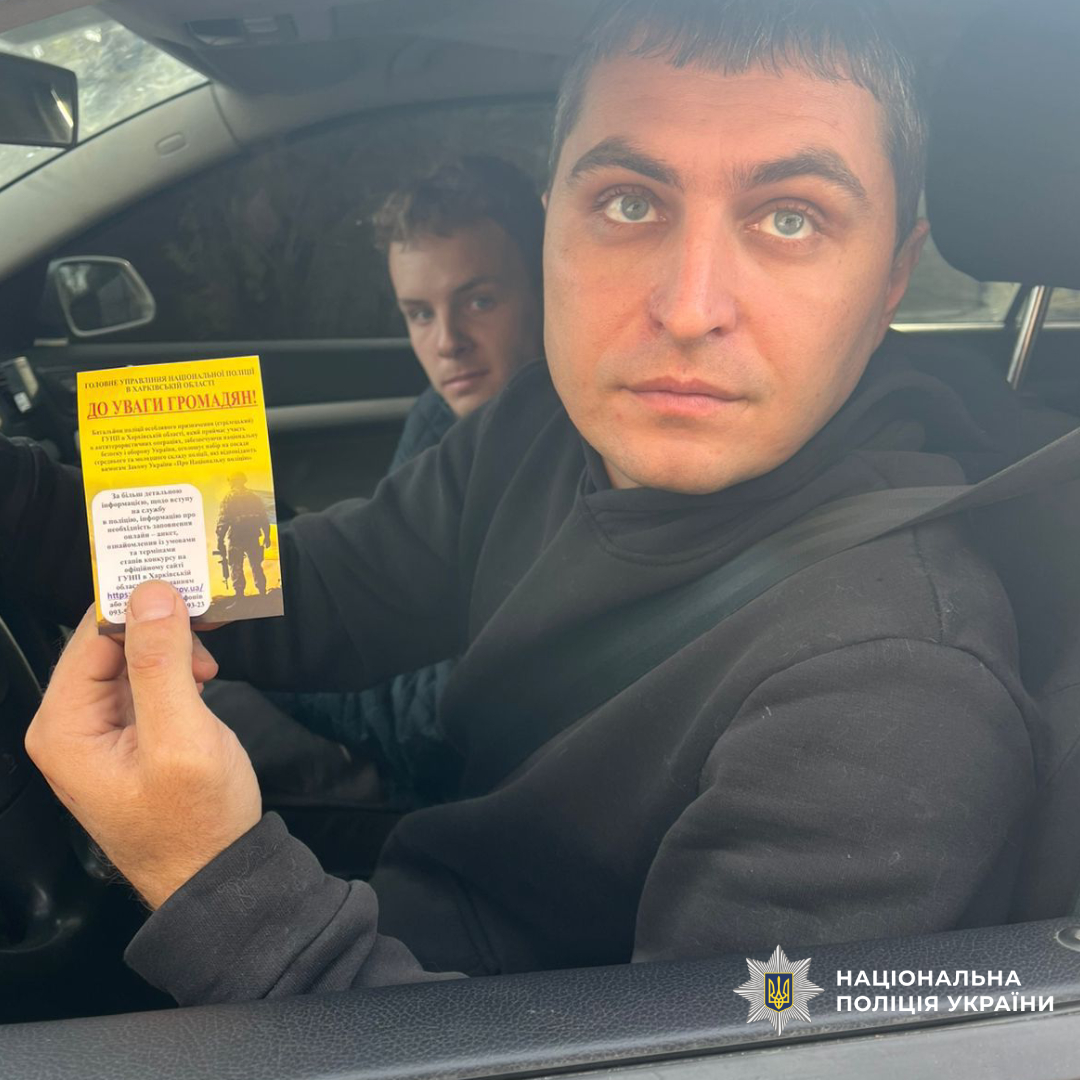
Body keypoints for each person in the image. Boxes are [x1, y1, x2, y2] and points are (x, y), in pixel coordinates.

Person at [19, 0, 1038, 1005]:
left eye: (789, 218)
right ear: (553, 223)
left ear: (893, 277)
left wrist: (218, 885)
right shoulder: (545, 418)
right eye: (630, 203)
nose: (689, 309)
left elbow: (677, 1067)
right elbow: (319, 591)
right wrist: (22, 502)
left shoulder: (898, 696)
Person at [241, 156, 547, 806]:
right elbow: (377, 578)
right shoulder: (439, 413)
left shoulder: (571, 462)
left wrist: (250, 648)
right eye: (419, 313)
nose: (447, 342)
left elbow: (428, 725)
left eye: (480, 301)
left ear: (546, 290)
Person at [215, 472, 271, 596]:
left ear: (232, 481)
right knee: (256, 565)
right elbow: (263, 518)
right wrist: (267, 536)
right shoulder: (254, 497)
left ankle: (240, 596)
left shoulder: (229, 498)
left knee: (236, 565)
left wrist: (220, 540)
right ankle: (262, 592)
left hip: (237, 537)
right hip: (253, 536)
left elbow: (223, 520)